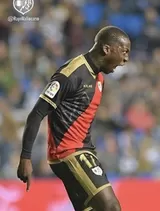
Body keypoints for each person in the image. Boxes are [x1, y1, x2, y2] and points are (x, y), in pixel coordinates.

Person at [17, 26, 131, 211]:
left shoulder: (98, 78)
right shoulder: (71, 74)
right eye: (124, 51)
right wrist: (25, 158)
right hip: (70, 153)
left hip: (79, 152)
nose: (126, 59)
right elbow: (36, 113)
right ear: (107, 49)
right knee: (111, 207)